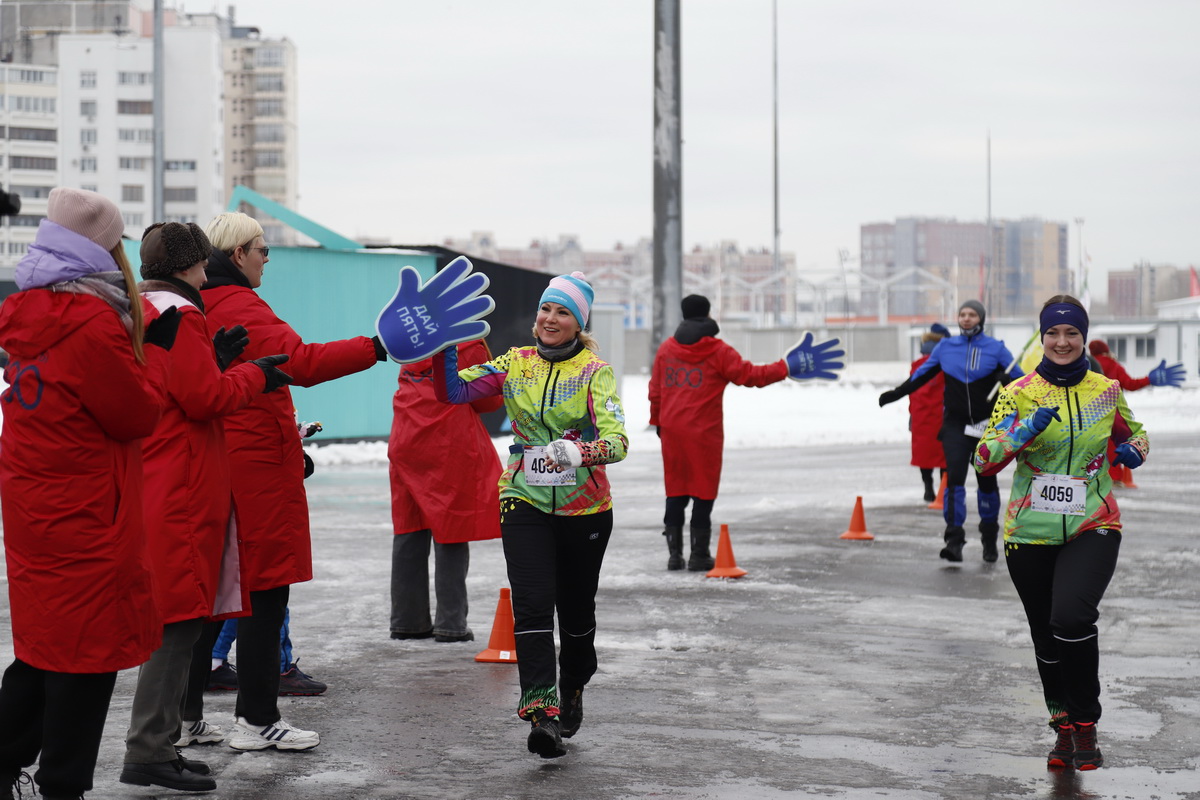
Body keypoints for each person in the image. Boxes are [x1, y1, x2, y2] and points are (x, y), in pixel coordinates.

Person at [0, 188, 176, 800]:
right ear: (100, 252)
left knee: (47, 648)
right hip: (87, 513)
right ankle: (64, 785)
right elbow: (135, 415)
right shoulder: (91, 323)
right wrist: (151, 356)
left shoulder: (31, 311)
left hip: (37, 507)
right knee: (87, 656)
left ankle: (7, 762)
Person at [190, 211, 387, 752]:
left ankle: (184, 719)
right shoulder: (239, 303)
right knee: (263, 592)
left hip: (216, 463)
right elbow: (299, 362)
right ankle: (256, 720)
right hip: (255, 470)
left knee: (207, 594)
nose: (266, 259)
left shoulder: (194, 305)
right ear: (237, 255)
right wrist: (377, 346)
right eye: (262, 249)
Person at [118, 222, 294, 792]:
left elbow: (165, 388)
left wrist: (213, 362)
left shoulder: (138, 309)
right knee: (178, 621)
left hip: (154, 478)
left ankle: (165, 740)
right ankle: (148, 748)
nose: (206, 271)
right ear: (190, 265)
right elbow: (205, 399)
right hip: (185, 486)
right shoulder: (183, 313)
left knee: (178, 617)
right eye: (201, 263)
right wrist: (251, 375)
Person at [433, 271, 628, 759]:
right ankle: (542, 712)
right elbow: (453, 392)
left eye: (563, 312)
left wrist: (579, 453)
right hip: (522, 497)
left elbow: (619, 441)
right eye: (545, 309)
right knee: (534, 603)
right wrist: (445, 345)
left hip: (586, 509)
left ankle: (575, 682)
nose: (549, 319)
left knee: (577, 616)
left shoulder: (594, 371)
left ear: (578, 322)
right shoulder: (515, 363)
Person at [975, 294, 1148, 771]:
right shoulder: (1019, 392)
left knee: (1071, 617)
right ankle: (1063, 727)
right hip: (1028, 533)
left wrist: (1133, 450)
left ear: (1084, 336)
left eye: (1072, 333)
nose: (1062, 341)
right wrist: (1022, 431)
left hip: (1094, 523)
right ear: (1043, 336)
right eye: (1053, 332)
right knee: (1045, 636)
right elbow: (984, 461)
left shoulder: (1106, 390)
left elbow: (1136, 433)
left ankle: (1087, 722)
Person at [648, 294, 829, 571]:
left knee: (676, 488)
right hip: (704, 433)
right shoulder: (718, 350)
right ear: (707, 315)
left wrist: (658, 422)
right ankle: (699, 555)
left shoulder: (666, 349)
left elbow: (655, 390)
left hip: (672, 431)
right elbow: (750, 376)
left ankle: (674, 556)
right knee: (703, 490)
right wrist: (785, 368)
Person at [879, 300, 1021, 563]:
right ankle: (954, 541)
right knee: (954, 480)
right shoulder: (946, 347)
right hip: (955, 425)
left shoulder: (996, 348)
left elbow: (1022, 382)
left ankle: (989, 538)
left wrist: (1006, 380)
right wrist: (896, 393)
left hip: (985, 426)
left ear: (981, 319)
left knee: (986, 483)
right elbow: (921, 375)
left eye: (972, 315)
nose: (966, 319)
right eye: (962, 314)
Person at [388, 339, 502, 642]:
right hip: (449, 441)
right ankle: (451, 624)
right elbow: (487, 400)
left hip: (407, 437)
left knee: (409, 527)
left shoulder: (412, 340)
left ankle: (407, 621)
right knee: (451, 526)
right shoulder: (468, 345)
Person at [909, 323, 950, 502]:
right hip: (943, 415)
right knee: (945, 454)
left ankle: (928, 488)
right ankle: (944, 489)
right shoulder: (946, 364)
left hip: (920, 415)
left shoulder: (916, 365)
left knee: (924, 453)